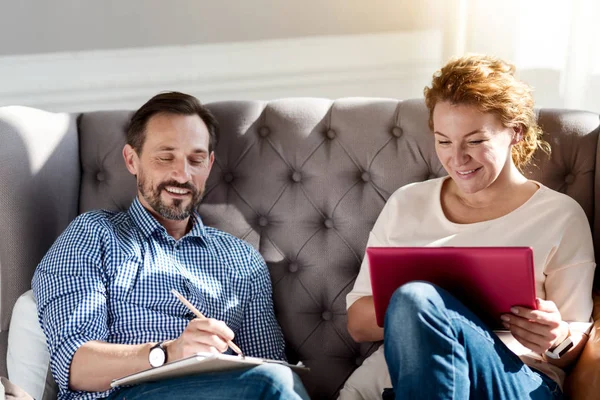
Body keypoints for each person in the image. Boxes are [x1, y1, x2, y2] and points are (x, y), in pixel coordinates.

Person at [340, 55, 595, 400]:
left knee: (418, 297)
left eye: (475, 141)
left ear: (515, 131)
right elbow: (357, 323)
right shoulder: (406, 204)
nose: (457, 159)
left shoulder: (560, 216)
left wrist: (556, 336)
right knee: (417, 300)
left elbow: (572, 348)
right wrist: (434, 308)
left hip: (516, 380)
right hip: (408, 379)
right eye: (444, 141)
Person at [32, 92, 310, 400]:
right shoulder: (92, 235)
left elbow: (268, 365)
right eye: (165, 158)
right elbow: (75, 366)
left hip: (224, 393)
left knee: (275, 378)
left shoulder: (242, 260)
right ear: (131, 159)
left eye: (196, 160)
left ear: (210, 164)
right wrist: (169, 353)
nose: (182, 175)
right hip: (121, 395)